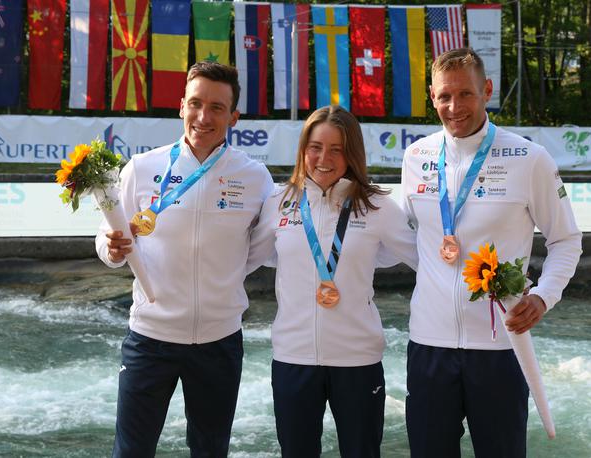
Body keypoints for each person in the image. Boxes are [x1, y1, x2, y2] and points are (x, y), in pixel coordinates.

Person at [401, 48, 582, 457]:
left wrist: (543, 296)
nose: (454, 106)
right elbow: (409, 235)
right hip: (429, 344)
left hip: (501, 349)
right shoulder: (416, 157)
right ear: (432, 96)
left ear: (486, 90)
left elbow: (566, 240)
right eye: (444, 96)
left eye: (465, 94)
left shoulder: (529, 158)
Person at [95, 61, 274, 457]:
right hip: (150, 337)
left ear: (234, 116)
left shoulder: (254, 177)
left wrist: (223, 282)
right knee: (131, 451)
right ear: (180, 106)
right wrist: (110, 250)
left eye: (216, 107)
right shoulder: (142, 169)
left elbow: (260, 247)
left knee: (210, 450)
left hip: (219, 340)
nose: (203, 117)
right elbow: (110, 237)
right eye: (195, 103)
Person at [249, 105, 418, 457]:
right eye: (315, 147)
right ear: (303, 150)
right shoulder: (279, 203)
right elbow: (245, 259)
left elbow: (427, 261)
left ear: (352, 153)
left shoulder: (378, 206)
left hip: (357, 360)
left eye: (336, 149)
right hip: (293, 358)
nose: (323, 158)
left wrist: (494, 286)